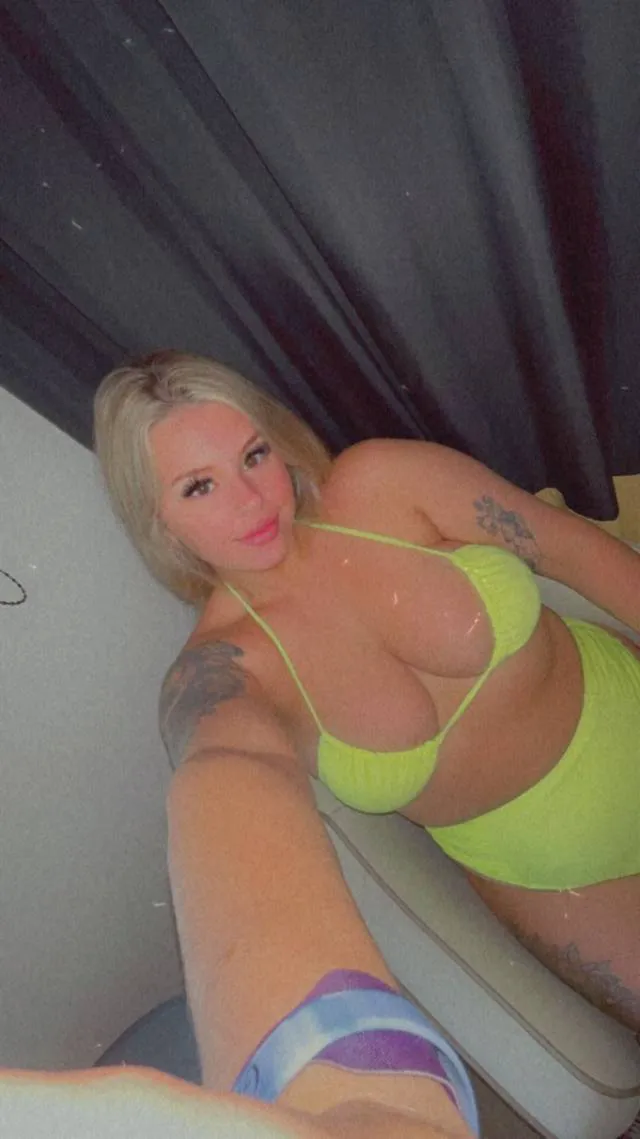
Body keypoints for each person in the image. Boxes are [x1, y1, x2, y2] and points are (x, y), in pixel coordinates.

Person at [93, 351, 640, 1049]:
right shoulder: (227, 669)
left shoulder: (381, 483)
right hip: (559, 880)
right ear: (159, 521)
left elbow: (576, 551)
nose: (251, 500)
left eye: (254, 455)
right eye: (199, 487)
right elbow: (219, 777)